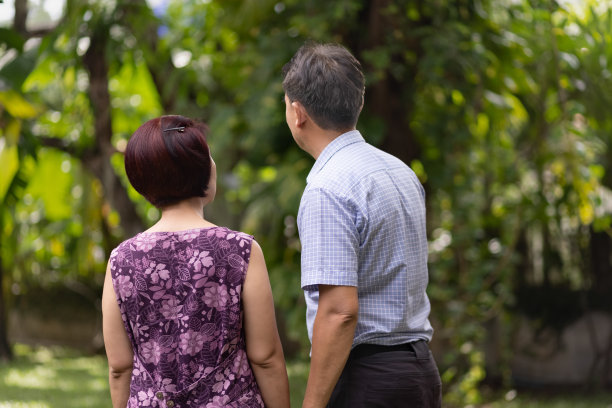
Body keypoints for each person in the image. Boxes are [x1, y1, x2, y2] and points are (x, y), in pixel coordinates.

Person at [282, 42, 442, 408]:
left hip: (368, 380)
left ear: (297, 112)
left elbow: (339, 311)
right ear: (359, 102)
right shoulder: (399, 171)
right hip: (419, 372)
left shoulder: (327, 188)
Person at [101, 115, 290, 408]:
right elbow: (265, 357)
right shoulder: (241, 250)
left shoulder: (121, 260)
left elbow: (119, 366)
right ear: (201, 169)